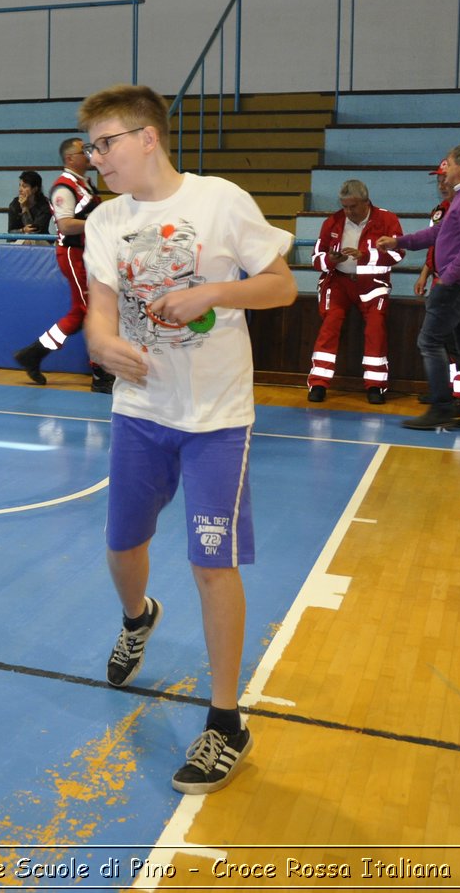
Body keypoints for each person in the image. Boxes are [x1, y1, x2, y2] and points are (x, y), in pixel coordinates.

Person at [79, 83, 295, 795]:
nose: (95, 157)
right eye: (92, 146)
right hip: (140, 410)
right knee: (122, 548)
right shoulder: (104, 222)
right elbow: (100, 315)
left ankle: (225, 721)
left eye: (105, 143)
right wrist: (106, 347)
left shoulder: (220, 201)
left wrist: (211, 293)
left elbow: (281, 285)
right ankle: (138, 617)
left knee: (212, 563)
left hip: (216, 418)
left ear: (147, 137)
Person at [378, 144, 460, 432]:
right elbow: (439, 233)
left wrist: (448, 277)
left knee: (429, 341)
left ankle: (442, 408)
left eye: (449, 164)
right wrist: (399, 241)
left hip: (459, 285)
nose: (444, 171)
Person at [13, 138, 113, 392]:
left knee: (81, 313)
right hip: (72, 253)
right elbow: (67, 225)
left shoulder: (84, 185)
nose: (89, 155)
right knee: (90, 312)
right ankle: (100, 374)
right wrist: (99, 223)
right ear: (70, 158)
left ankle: (34, 354)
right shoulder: (63, 188)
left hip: (87, 253)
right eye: (84, 151)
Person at [304, 179, 403, 405]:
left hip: (373, 284)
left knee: (376, 327)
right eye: (345, 206)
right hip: (338, 283)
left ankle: (375, 386)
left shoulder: (387, 220)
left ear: (366, 202)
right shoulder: (333, 221)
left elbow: (398, 254)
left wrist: (365, 256)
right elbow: (316, 259)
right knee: (330, 324)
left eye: (353, 206)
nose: (348, 211)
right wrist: (330, 259)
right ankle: (318, 383)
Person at [414, 161, 460, 403]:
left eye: (444, 178)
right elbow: (434, 246)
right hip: (439, 282)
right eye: (438, 180)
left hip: (457, 285)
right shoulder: (439, 211)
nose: (441, 184)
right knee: (441, 340)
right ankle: (445, 390)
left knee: (459, 340)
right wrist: (425, 274)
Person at [7, 170, 52, 237]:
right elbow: (11, 232)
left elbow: (34, 232)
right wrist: (23, 230)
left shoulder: (45, 205)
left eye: (24, 186)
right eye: (20, 186)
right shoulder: (15, 204)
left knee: (29, 241)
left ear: (35, 189)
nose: (20, 189)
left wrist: (24, 208)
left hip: (41, 241)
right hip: (18, 240)